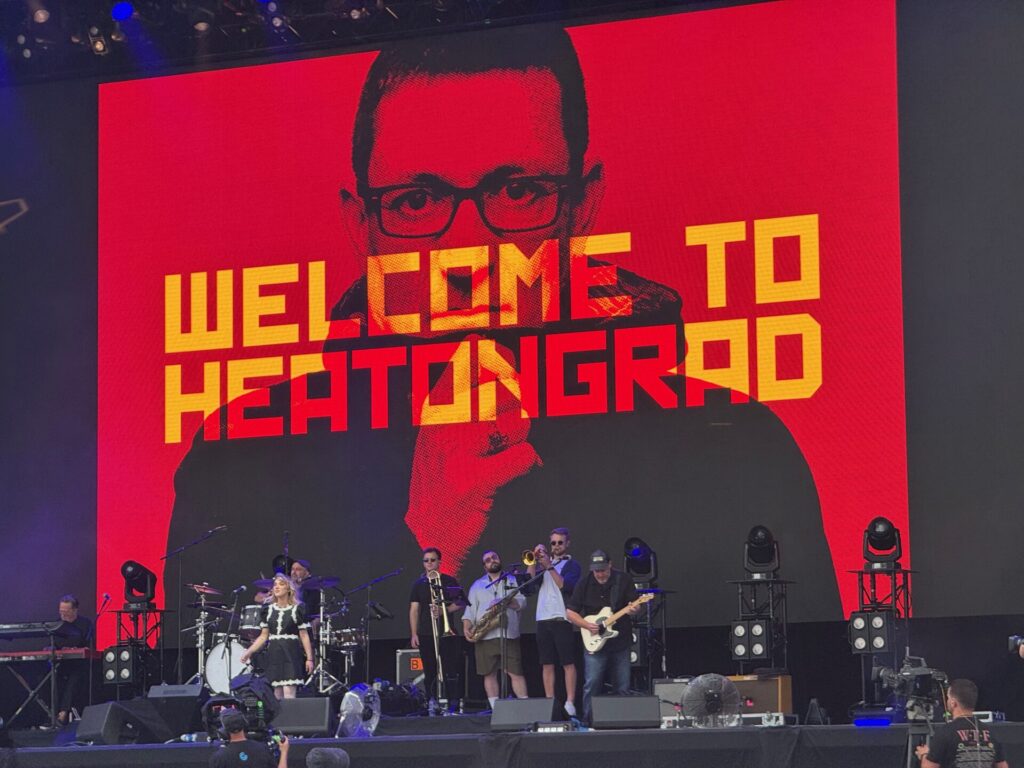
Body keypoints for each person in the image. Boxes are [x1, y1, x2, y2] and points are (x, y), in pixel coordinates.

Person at [165, 25, 839, 636]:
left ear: (583, 207)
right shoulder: (238, 458)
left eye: (518, 192)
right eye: (417, 201)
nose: (467, 255)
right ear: (359, 225)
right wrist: (435, 543)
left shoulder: (731, 443)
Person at [565, 550, 640, 724]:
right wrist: (586, 625)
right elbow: (570, 612)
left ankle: (623, 721)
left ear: (610, 565)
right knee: (592, 683)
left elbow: (634, 605)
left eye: (603, 570)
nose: (600, 574)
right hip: (594, 640)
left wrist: (635, 608)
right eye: (596, 570)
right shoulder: (584, 584)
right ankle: (588, 721)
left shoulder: (623, 580)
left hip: (620, 640)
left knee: (622, 685)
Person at [523, 527, 581, 717]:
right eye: (553, 543)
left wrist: (548, 565)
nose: (556, 546)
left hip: (562, 618)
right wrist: (533, 561)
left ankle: (570, 701)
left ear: (567, 544)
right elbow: (529, 586)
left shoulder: (572, 565)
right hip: (543, 619)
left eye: (560, 542)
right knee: (546, 663)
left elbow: (565, 585)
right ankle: (550, 701)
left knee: (567, 662)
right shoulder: (543, 566)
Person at [462, 550, 528, 709]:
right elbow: (469, 611)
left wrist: (506, 602)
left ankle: (526, 708)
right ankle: (495, 709)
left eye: (494, 557)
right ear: (485, 566)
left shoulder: (512, 580)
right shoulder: (477, 585)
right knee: (488, 673)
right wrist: (466, 627)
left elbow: (522, 603)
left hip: (509, 634)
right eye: (488, 560)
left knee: (515, 673)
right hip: (485, 635)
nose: (492, 560)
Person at [240, 575, 314, 699]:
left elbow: (304, 635)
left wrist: (310, 659)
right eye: (275, 585)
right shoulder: (268, 610)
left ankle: (290, 718)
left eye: (281, 584)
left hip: (290, 652)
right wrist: (249, 652)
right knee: (276, 694)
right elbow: (263, 637)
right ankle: (278, 718)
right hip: (275, 653)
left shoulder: (297, 609)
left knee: (289, 692)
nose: (277, 587)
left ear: (288, 589)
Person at [408, 547, 463, 709]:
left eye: (433, 560)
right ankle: (431, 701)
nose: (429, 563)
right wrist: (413, 633)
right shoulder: (418, 584)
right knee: (430, 669)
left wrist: (442, 611)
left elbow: (460, 603)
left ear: (439, 562)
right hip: (425, 633)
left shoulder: (449, 581)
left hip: (447, 632)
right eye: (426, 561)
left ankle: (453, 701)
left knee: (450, 668)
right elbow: (414, 610)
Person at [915, 679, 1009, 768]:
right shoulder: (990, 732)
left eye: (948, 697)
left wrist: (924, 754)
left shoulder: (945, 733)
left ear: (953, 703)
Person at [53, 594, 92, 725]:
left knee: (75, 677)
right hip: (61, 663)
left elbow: (90, 646)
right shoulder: (57, 624)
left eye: (66, 611)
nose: (63, 614)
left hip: (79, 664)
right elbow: (53, 644)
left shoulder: (85, 624)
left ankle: (63, 713)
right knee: (48, 676)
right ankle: (50, 713)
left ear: (74, 610)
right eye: (61, 611)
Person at [209, 706, 288, 768]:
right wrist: (284, 751)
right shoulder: (263, 749)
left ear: (223, 731)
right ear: (245, 724)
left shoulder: (219, 757)